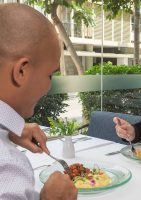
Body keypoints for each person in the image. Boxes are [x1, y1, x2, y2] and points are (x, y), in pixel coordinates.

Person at [0, 3, 77, 199]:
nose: (49, 86)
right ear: (21, 71)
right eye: (50, 75)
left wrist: (6, 132)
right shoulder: (9, 166)